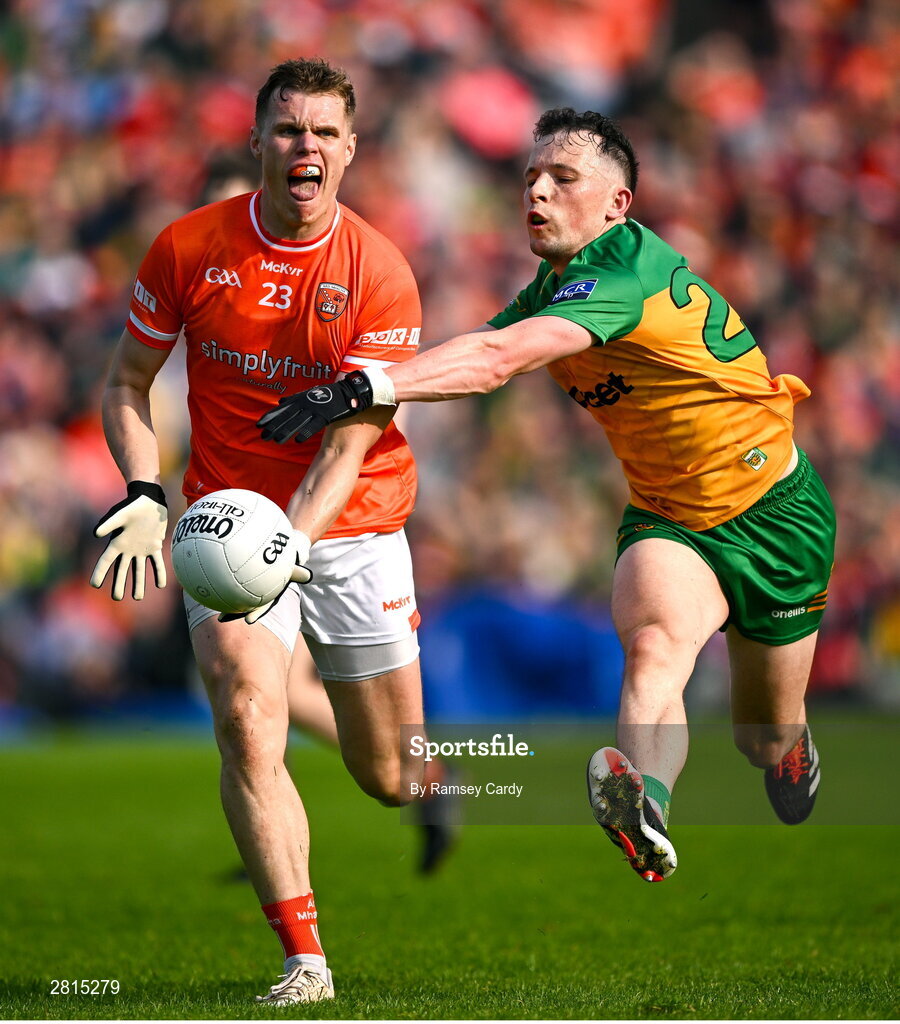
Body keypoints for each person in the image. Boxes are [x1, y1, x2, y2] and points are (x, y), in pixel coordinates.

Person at [258, 107, 835, 884]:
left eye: (562, 179)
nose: (537, 191)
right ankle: (648, 807)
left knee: (761, 737)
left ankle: (791, 746)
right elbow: (469, 359)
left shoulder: (622, 272)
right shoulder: (554, 289)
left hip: (777, 515)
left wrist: (366, 384)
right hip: (672, 519)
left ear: (616, 205)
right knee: (656, 648)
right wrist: (353, 400)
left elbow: (496, 358)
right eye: (531, 176)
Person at [91, 57, 433, 1006]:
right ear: (257, 142)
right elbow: (127, 383)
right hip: (224, 518)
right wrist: (146, 490)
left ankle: (437, 782)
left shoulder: (380, 272)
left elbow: (347, 448)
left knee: (392, 777)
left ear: (352, 149)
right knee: (246, 718)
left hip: (355, 523)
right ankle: (304, 959)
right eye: (289, 130)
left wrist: (291, 545)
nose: (306, 148)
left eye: (325, 133)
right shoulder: (188, 247)